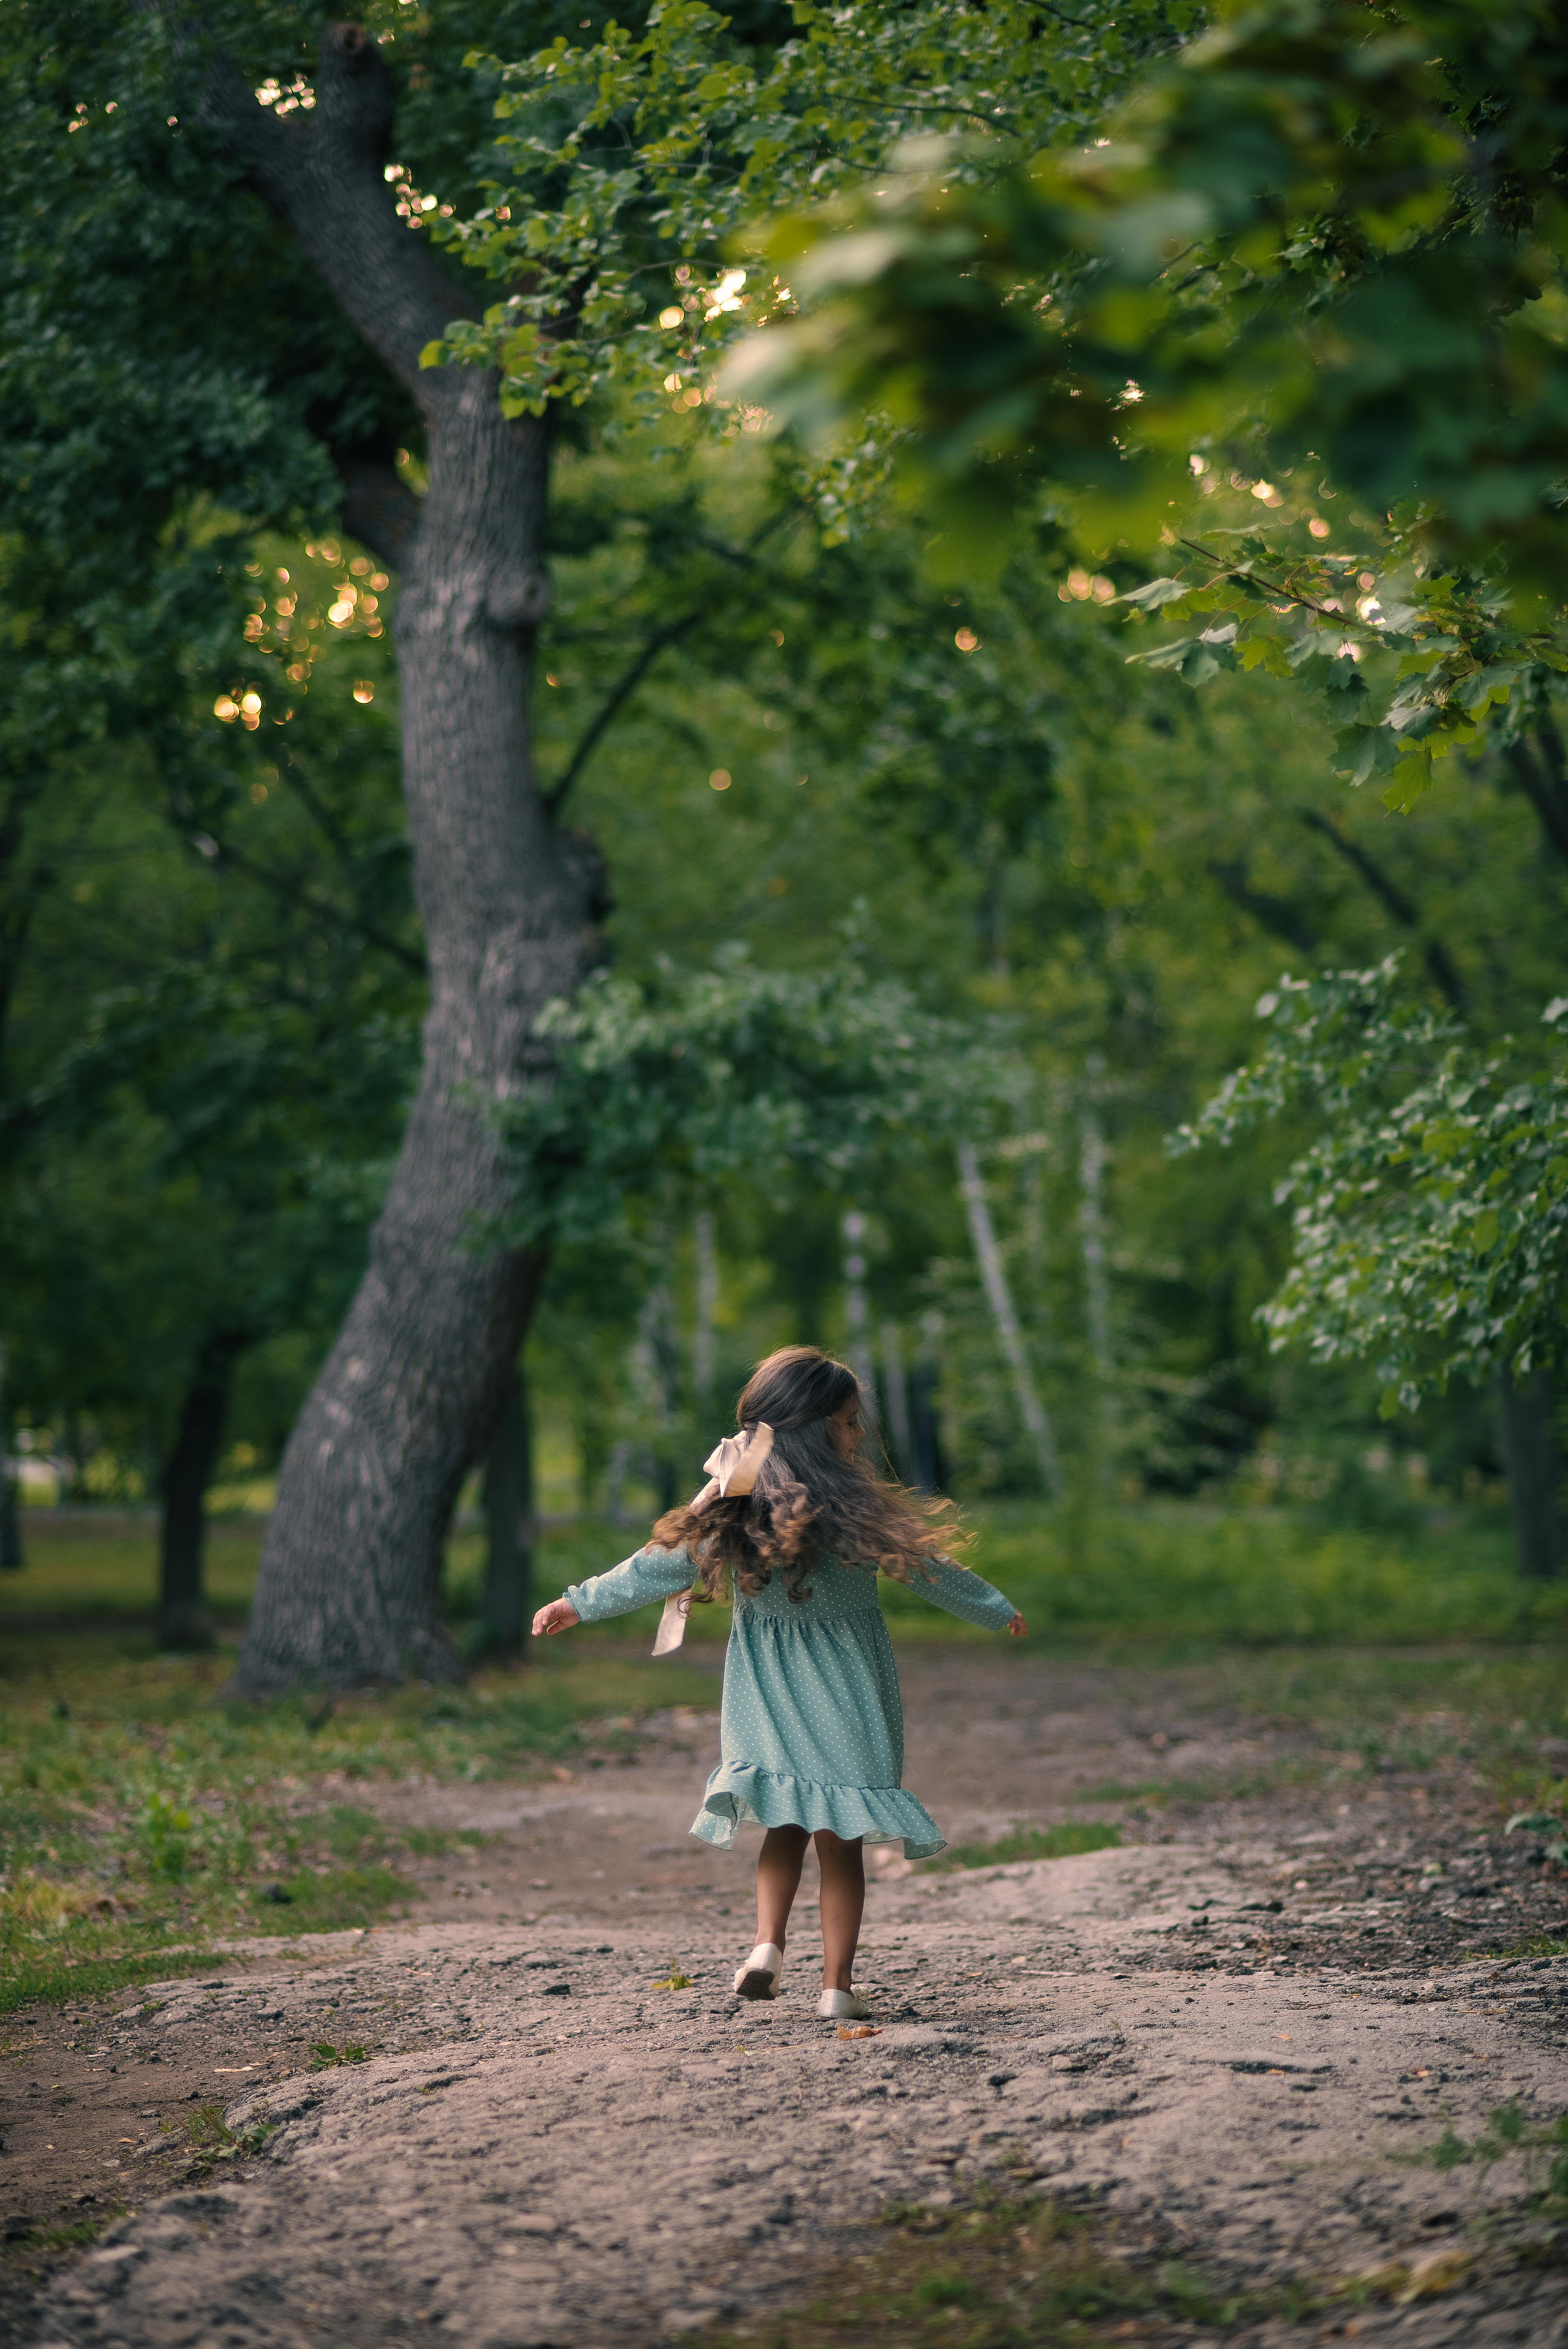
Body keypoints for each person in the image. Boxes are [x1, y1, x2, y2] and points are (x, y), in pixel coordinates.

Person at [531, 1345, 1025, 2021]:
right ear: (817, 1425)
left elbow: (656, 1568)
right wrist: (996, 1610)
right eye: (849, 1423)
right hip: (849, 1693)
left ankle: (766, 1946)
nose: (857, 1436)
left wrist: (577, 1603)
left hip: (767, 1692)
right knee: (839, 1843)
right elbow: (928, 1568)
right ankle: (837, 1988)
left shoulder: (734, 1506)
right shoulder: (856, 1509)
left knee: (783, 1827)